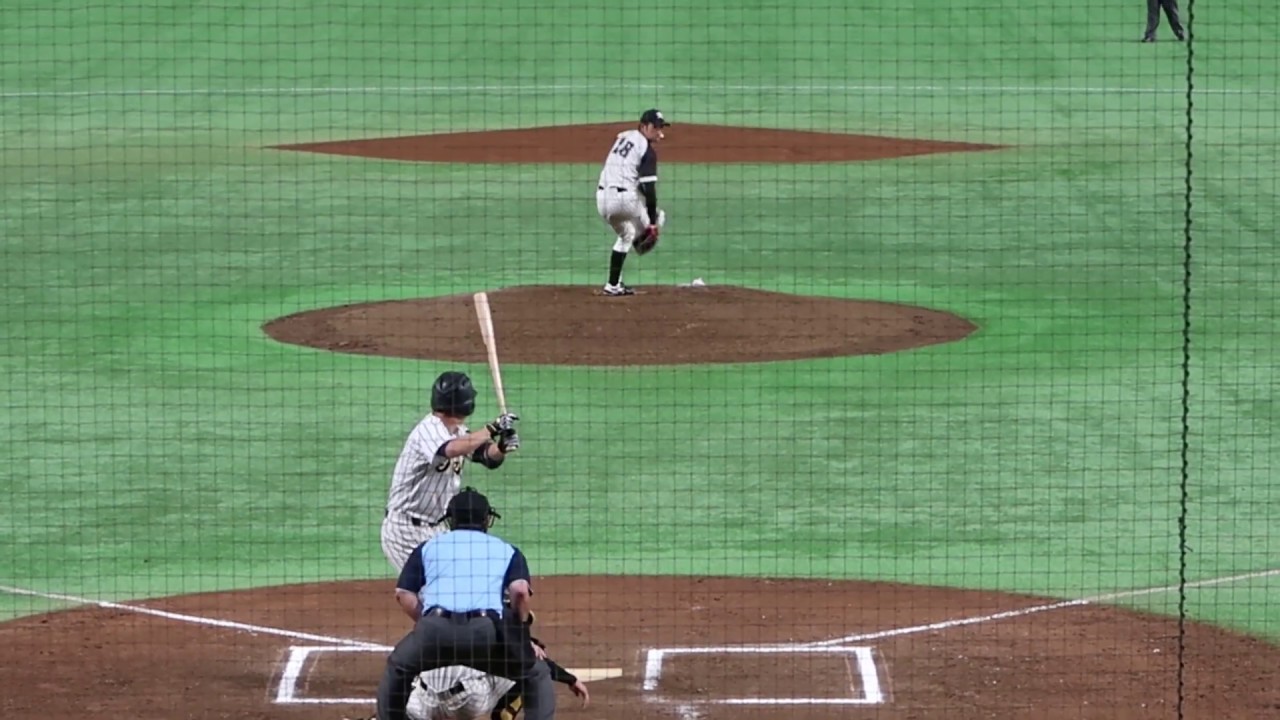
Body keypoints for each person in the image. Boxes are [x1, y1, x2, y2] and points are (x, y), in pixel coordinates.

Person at [374, 488, 557, 720]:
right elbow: (520, 591)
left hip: (433, 632)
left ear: (451, 520)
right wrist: (519, 627)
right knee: (535, 673)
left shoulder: (428, 547)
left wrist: (427, 621)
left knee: (398, 668)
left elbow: (403, 594)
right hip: (483, 634)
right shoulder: (507, 550)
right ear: (486, 520)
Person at [381, 371, 520, 571]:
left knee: (454, 583)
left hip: (437, 528)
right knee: (429, 587)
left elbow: (487, 457)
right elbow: (451, 449)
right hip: (405, 530)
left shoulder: (458, 432)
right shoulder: (428, 429)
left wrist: (501, 448)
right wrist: (492, 428)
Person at [594, 108, 671, 296]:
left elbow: (622, 138)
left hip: (602, 201)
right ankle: (643, 237)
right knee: (658, 217)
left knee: (626, 234)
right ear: (644, 126)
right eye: (655, 127)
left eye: (661, 128)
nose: (659, 132)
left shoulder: (626, 136)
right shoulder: (648, 152)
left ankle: (613, 285)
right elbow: (649, 190)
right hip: (624, 201)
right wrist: (651, 223)